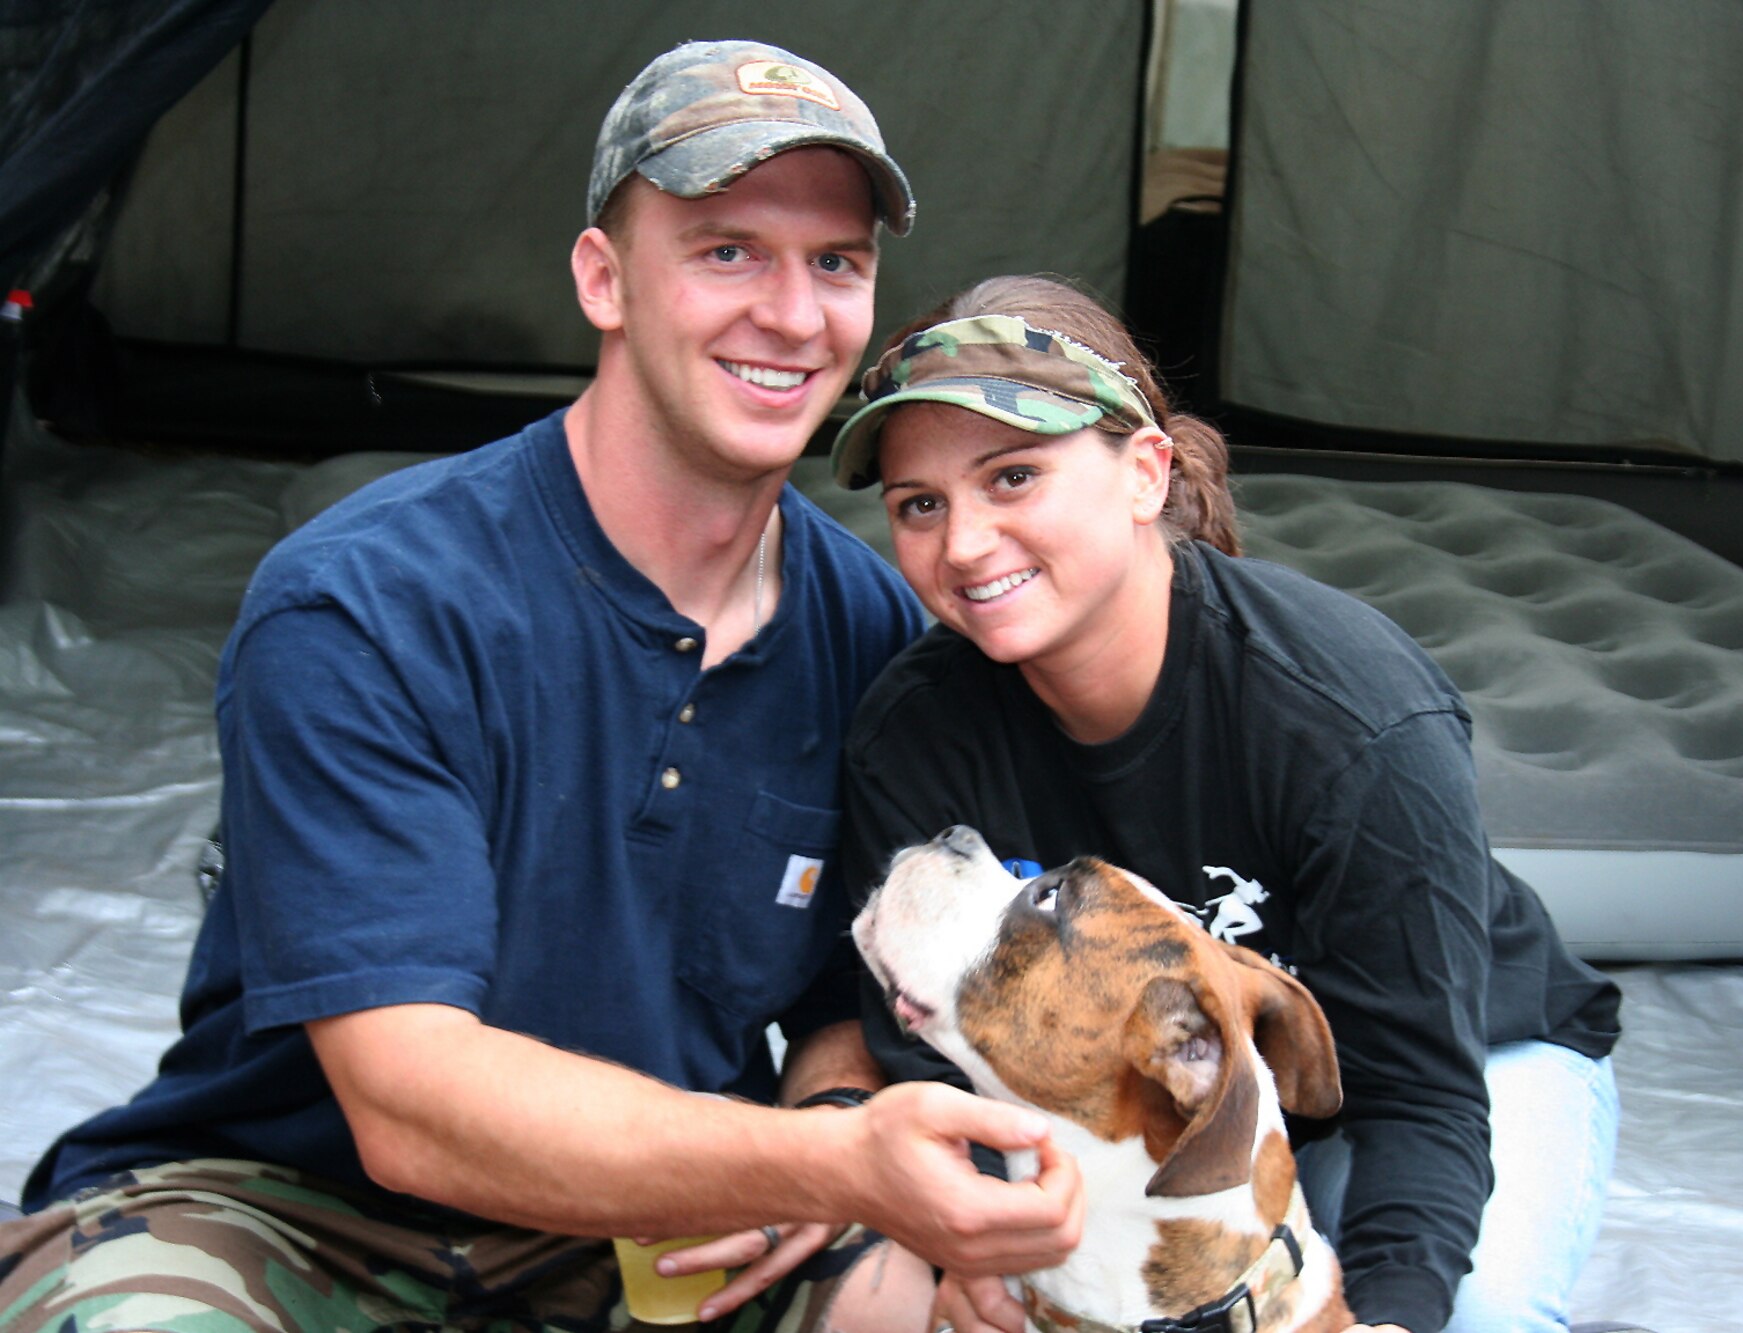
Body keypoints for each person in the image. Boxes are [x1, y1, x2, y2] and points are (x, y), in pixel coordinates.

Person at [0, 44, 1082, 1333]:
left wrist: (834, 1115)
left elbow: (848, 992)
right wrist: (821, 1162)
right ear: (603, 279)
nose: (793, 316)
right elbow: (407, 1104)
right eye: (727, 250)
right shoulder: (370, 604)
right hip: (295, 1211)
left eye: (834, 262)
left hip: (677, 1213)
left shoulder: (870, 632)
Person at [829, 276, 1625, 1333]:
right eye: (918, 504)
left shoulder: (1348, 718)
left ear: (1143, 472)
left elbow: (1419, 1096)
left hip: (1455, 1062)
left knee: (1467, 1312)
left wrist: (1392, 1309)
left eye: (1012, 476)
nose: (964, 542)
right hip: (1146, 1104)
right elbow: (923, 1050)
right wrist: (971, 1250)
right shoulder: (913, 730)